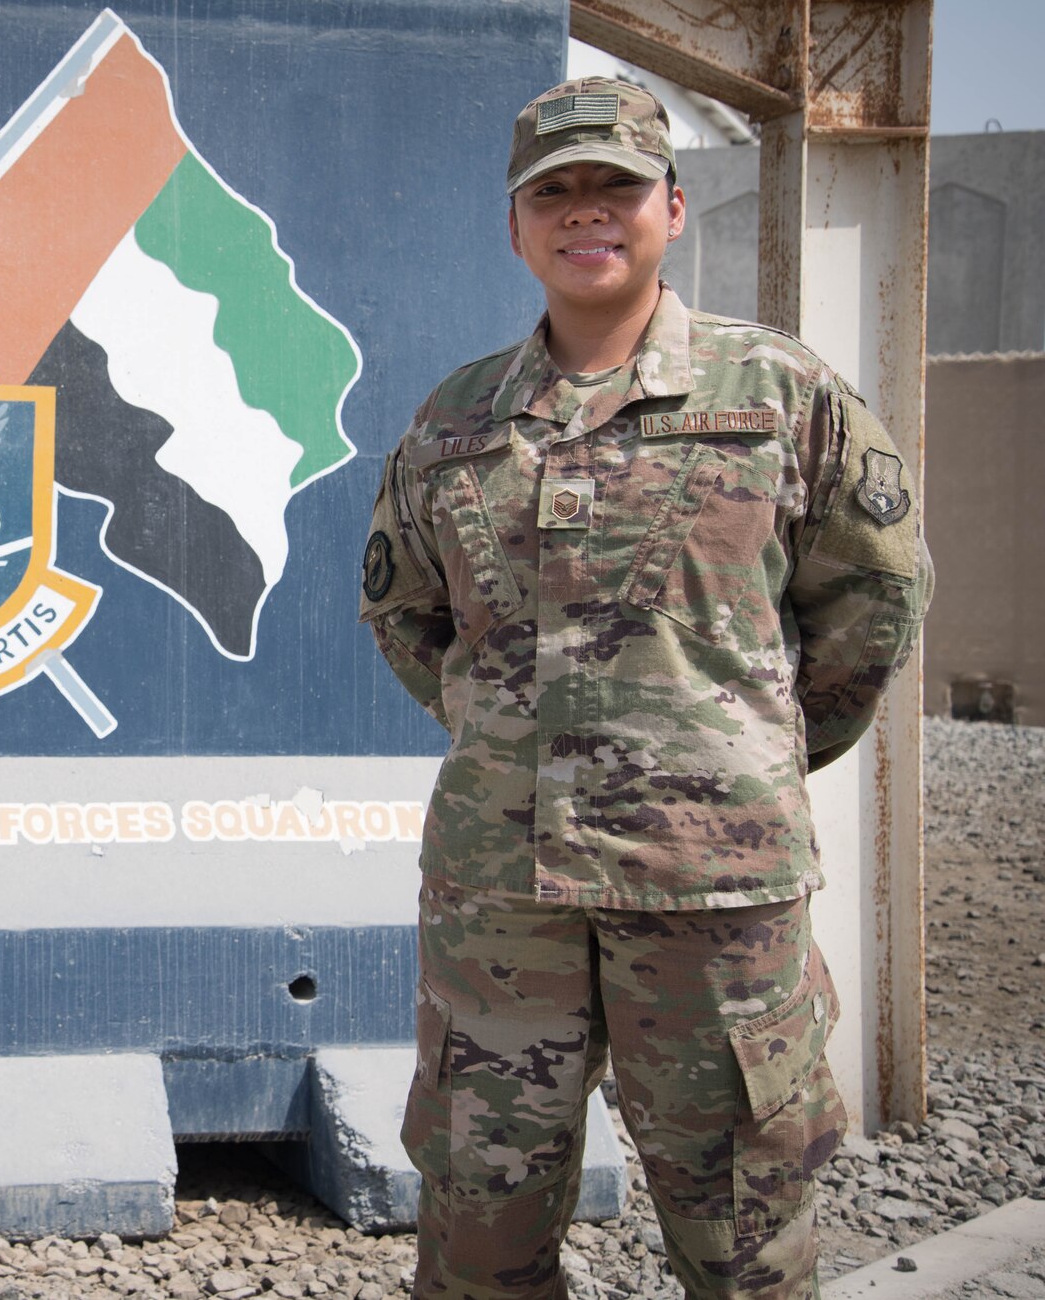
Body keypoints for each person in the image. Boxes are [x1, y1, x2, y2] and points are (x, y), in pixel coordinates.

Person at [358, 77, 933, 1298]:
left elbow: (868, 611)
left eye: (612, 187)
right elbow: (406, 613)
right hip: (497, 897)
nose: (583, 213)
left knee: (741, 1223)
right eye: (549, 192)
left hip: (712, 893)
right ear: (513, 228)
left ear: (670, 206)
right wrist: (510, 735)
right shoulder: (453, 420)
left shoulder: (778, 395)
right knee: (477, 1222)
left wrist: (734, 756)